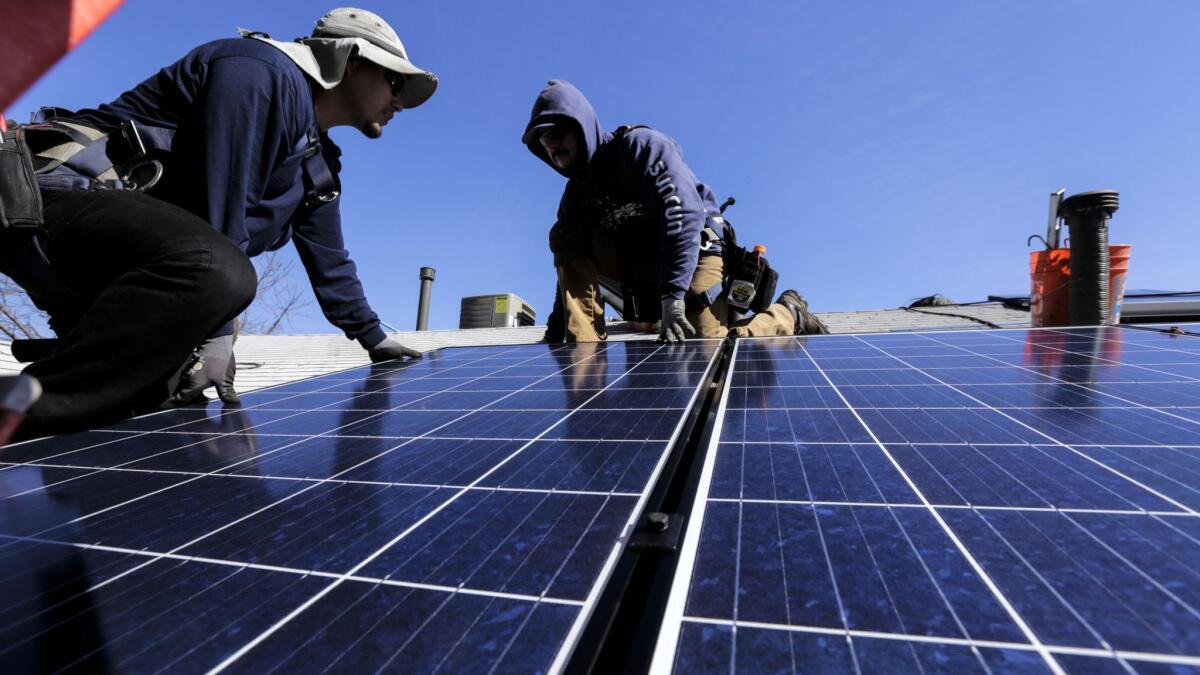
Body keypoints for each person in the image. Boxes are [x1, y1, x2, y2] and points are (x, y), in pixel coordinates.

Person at [0, 7, 432, 438]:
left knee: (156, 402)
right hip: (51, 201)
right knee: (220, 272)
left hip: (134, 266)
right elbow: (218, 202)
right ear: (350, 60)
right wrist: (220, 330)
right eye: (395, 82)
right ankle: (19, 414)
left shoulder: (319, 166)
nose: (399, 101)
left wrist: (375, 339)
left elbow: (331, 260)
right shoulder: (258, 71)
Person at [522, 80, 828, 344]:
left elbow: (682, 216)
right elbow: (568, 258)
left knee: (709, 354)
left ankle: (788, 314)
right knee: (566, 235)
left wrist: (673, 298)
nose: (551, 143)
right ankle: (585, 363)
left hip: (693, 252)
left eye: (557, 131)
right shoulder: (575, 196)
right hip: (642, 269)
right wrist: (556, 332)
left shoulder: (641, 147)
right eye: (543, 139)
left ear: (581, 125)